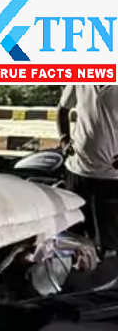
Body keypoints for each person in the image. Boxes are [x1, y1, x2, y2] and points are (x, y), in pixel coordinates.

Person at [57, 84, 118, 255]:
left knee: (110, 242)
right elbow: (62, 109)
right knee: (73, 238)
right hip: (77, 172)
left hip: (111, 177)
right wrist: (64, 139)